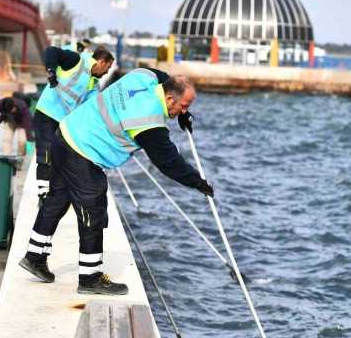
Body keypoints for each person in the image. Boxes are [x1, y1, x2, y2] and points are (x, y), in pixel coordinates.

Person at [19, 68, 213, 295]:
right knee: (93, 211)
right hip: (83, 152)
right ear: (169, 98)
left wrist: (182, 115)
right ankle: (90, 278)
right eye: (184, 106)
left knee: (57, 200)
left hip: (66, 133)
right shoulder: (148, 119)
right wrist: (197, 182)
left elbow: (163, 78)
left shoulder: (144, 77)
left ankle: (34, 256)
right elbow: (168, 161)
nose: (184, 110)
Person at [33, 46, 114, 204]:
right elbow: (51, 51)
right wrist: (51, 70)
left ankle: (56, 193)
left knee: (62, 157)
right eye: (108, 67)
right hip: (47, 113)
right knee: (46, 155)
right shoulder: (77, 61)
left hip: (63, 122)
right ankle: (43, 195)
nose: (107, 72)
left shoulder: (94, 84)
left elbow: (94, 109)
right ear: (102, 62)